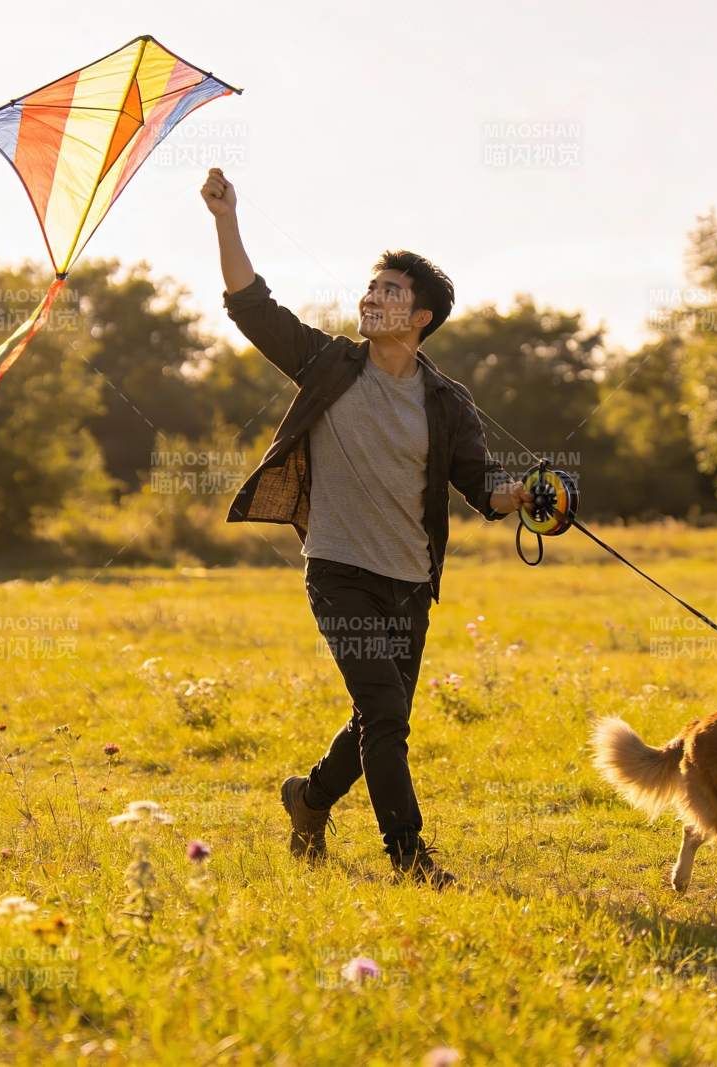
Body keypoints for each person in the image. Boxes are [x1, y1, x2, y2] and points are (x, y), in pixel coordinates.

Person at [202, 167, 531, 888]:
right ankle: (409, 858)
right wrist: (227, 219)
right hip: (339, 569)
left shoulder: (446, 401)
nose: (372, 298)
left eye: (390, 292)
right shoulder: (329, 363)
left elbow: (481, 485)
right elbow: (252, 307)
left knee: (375, 719)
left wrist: (526, 496)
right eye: (371, 287)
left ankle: (308, 798)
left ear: (421, 318)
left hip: (410, 582)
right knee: (385, 714)